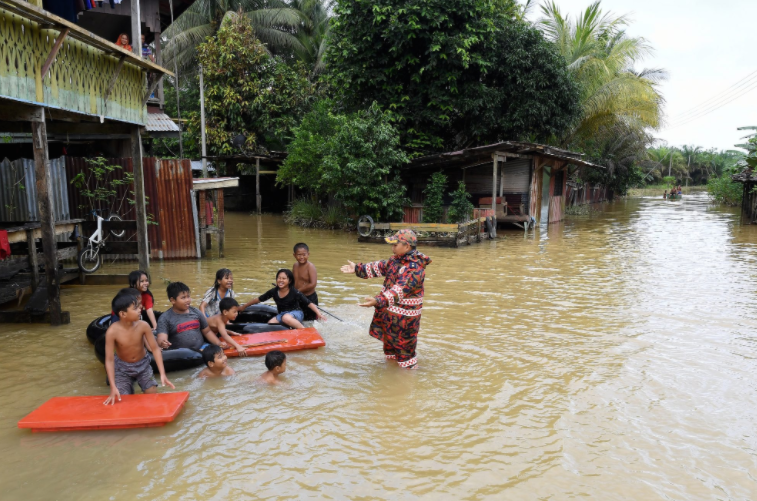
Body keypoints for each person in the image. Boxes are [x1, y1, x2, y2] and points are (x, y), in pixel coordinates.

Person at [340, 229, 431, 370]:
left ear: (406, 246)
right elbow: (378, 267)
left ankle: (408, 385)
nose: (392, 248)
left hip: (405, 322)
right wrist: (358, 268)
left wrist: (378, 301)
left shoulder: (415, 269)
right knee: (389, 350)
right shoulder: (396, 261)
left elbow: (399, 291)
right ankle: (391, 378)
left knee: (405, 356)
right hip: (389, 317)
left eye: (395, 245)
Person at [104, 288, 174, 405]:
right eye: (135, 308)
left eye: (139, 306)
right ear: (123, 314)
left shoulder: (143, 326)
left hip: (143, 365)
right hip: (122, 368)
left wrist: (163, 374)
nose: (140, 309)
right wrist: (112, 387)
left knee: (152, 394)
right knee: (123, 400)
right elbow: (109, 360)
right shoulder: (112, 332)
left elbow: (155, 349)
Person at [239, 269, 326, 329]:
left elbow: (309, 303)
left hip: (296, 313)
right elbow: (258, 299)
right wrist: (244, 307)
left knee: (286, 318)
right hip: (282, 314)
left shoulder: (295, 292)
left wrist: (319, 314)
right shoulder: (274, 291)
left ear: (290, 281)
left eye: (284, 278)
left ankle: (304, 330)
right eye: (279, 278)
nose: (281, 280)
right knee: (271, 324)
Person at [156, 282, 228, 352]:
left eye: (188, 296)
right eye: (183, 298)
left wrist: (218, 343)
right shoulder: (165, 318)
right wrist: (162, 343)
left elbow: (207, 332)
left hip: (201, 349)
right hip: (179, 354)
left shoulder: (196, 312)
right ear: (173, 300)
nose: (188, 300)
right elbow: (161, 337)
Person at [293, 243, 318, 320]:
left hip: (309, 298)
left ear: (308, 254)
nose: (301, 257)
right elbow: (293, 281)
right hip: (297, 298)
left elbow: (313, 284)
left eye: (304, 254)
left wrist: (298, 291)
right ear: (294, 255)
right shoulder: (295, 265)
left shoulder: (310, 266)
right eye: (299, 255)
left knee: (310, 321)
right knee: (299, 319)